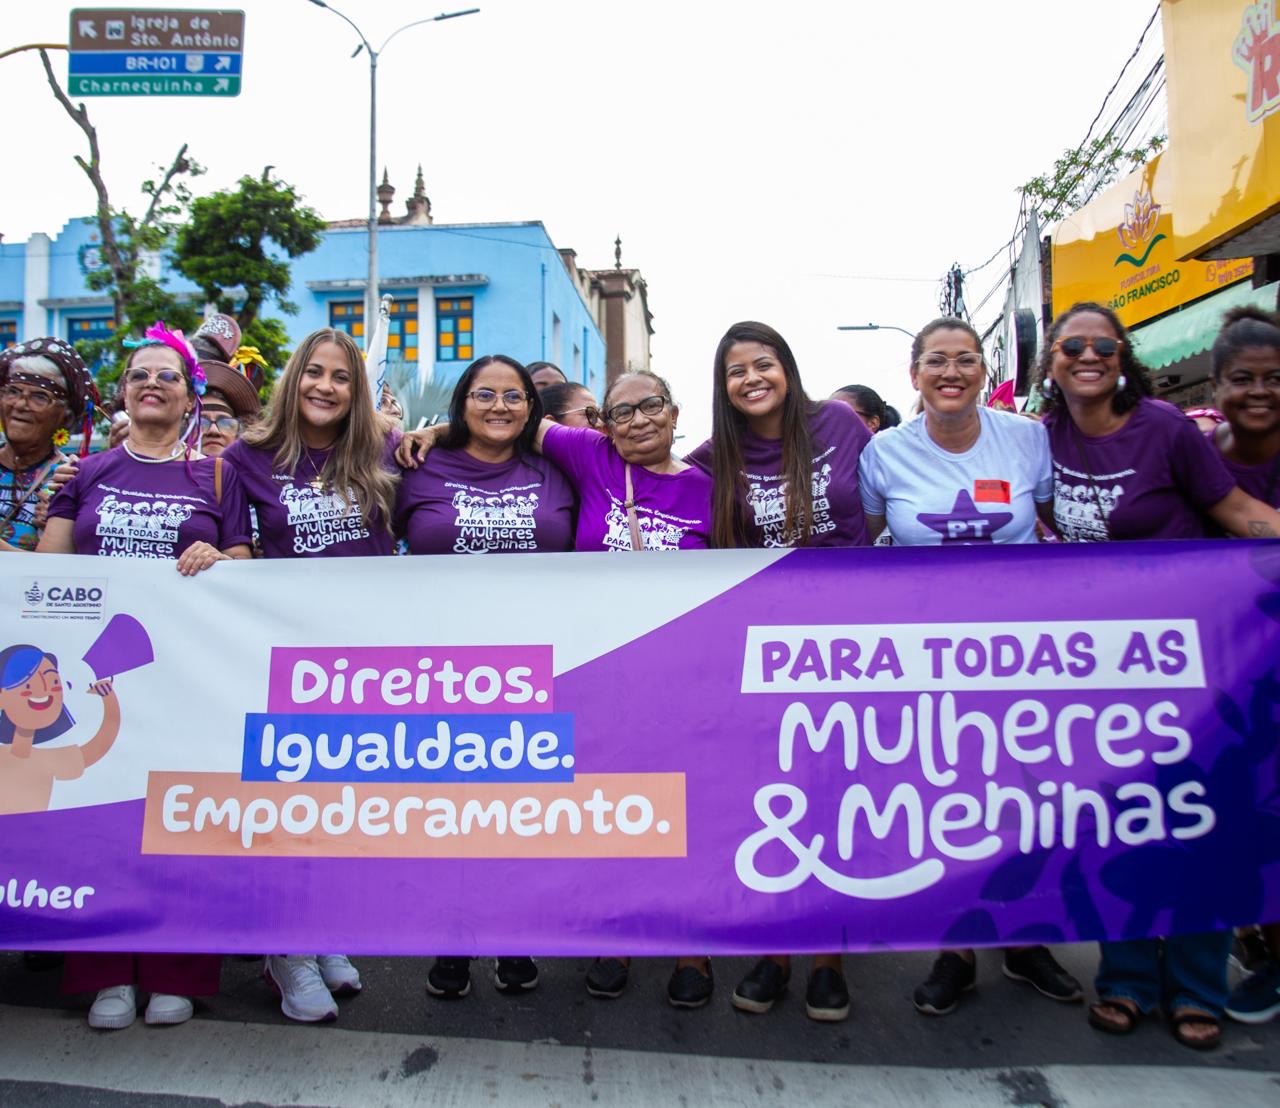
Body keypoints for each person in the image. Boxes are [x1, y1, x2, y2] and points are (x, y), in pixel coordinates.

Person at [397, 369, 715, 1004]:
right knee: (524, 806)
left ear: (676, 412)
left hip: (661, 672)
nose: (637, 421)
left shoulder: (711, 488)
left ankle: (690, 945)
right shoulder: (589, 458)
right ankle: (598, 937)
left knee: (676, 804)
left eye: (652, 406)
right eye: (620, 412)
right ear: (602, 426)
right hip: (522, 668)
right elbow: (505, 417)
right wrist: (433, 429)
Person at [1038, 300, 1280, 1050]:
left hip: (1190, 661)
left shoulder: (1168, 431)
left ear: (1122, 356)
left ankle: (1199, 985)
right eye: (1070, 344)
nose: (1087, 354)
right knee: (1119, 825)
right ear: (1051, 360)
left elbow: (1239, 511)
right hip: (1097, 670)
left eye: (1101, 344)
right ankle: (1128, 981)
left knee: (1198, 820)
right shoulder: (1038, 440)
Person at [858, 317, 1082, 1016]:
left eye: (965, 360)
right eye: (936, 361)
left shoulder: (1027, 439)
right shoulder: (883, 454)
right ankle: (954, 950)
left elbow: (1060, 527)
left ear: (984, 370)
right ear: (914, 374)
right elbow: (862, 550)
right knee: (944, 799)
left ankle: (1025, 942)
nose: (951, 372)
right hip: (925, 658)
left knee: (1025, 797)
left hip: (1020, 656)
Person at [37, 321, 252, 1030]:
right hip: (99, 683)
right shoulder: (87, 473)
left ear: (191, 396)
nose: (151, 384)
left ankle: (176, 971)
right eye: (139, 375)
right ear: (124, 394)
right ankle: (104, 972)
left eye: (167, 375)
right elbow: (47, 573)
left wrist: (219, 562)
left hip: (187, 682)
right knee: (97, 823)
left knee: (180, 823)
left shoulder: (218, 476)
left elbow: (248, 567)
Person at [686, 321, 873, 1021]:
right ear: (723, 388)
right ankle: (774, 949)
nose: (752, 379)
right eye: (736, 371)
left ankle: (829, 958)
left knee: (834, 795)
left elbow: (883, 508)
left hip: (849, 646)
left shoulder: (841, 425)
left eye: (763, 363)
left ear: (787, 368)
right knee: (771, 798)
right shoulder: (711, 459)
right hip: (763, 652)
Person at [220, 328, 398, 1022]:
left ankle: (321, 934)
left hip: (367, 659)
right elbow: (238, 554)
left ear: (356, 391)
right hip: (285, 660)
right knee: (285, 806)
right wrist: (213, 557)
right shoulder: (246, 457)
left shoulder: (381, 451)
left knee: (338, 804)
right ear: (293, 379)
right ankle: (284, 951)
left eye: (341, 377)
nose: (325, 386)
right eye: (313, 373)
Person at [1202, 307, 1280, 1026]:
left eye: (1274, 379)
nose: (1259, 392)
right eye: (1243, 379)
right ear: (1218, 384)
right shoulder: (1202, 451)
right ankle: (1259, 945)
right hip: (1234, 664)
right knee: (1245, 808)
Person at [395, 356, 574, 557]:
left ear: (529, 408)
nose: (499, 406)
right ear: (462, 405)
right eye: (484, 396)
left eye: (513, 396)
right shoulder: (418, 463)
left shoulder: (560, 468)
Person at [0, 337, 99, 552]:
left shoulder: (68, 479)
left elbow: (49, 573)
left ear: (65, 417)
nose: (20, 405)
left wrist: (59, 524)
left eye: (39, 397)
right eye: (13, 392)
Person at [0, 644, 119, 815]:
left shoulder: (47, 759)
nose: (43, 691)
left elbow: (97, 747)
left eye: (54, 682)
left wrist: (109, 699)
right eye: (28, 685)